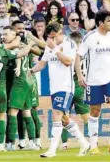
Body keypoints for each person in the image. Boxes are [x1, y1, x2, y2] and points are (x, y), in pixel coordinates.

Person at [30, 22, 90, 158]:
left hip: (65, 86)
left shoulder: (70, 44)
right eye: (49, 37)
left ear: (60, 32)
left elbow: (68, 62)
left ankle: (52, 150)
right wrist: (31, 70)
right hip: (54, 87)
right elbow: (42, 63)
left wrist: (55, 49)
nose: (51, 39)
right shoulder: (50, 46)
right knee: (64, 119)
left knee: (57, 113)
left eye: (53, 36)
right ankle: (84, 143)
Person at [75, 10, 110, 155]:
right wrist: (80, 76)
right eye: (109, 21)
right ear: (100, 23)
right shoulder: (90, 37)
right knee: (95, 111)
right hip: (94, 80)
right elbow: (78, 57)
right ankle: (93, 145)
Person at [60, 31, 90, 150]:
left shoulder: (69, 53)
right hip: (81, 87)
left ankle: (64, 144)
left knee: (63, 115)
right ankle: (94, 141)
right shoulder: (86, 54)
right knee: (86, 116)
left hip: (68, 86)